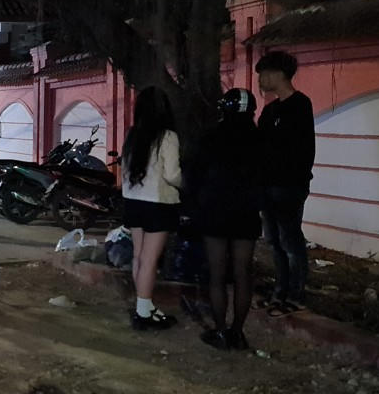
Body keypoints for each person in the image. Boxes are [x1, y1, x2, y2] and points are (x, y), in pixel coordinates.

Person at [186, 88, 263, 350]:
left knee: (217, 274)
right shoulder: (259, 140)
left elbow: (193, 175)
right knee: (243, 273)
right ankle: (238, 333)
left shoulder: (211, 138)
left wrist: (195, 205)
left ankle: (220, 332)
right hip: (247, 214)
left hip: (215, 213)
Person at [255, 50, 315, 316]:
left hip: (289, 186)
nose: (260, 80)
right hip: (267, 186)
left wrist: (297, 182)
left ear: (279, 74)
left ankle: (296, 295)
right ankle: (279, 292)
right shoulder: (270, 110)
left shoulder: (300, 105)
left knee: (290, 241)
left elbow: (303, 150)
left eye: (264, 74)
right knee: (273, 241)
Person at [122, 87, 182, 331]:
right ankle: (143, 313)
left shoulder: (132, 135)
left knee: (138, 256)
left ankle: (144, 306)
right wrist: (186, 184)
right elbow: (172, 175)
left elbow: (125, 170)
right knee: (149, 260)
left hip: (133, 202)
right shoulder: (167, 137)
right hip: (158, 204)